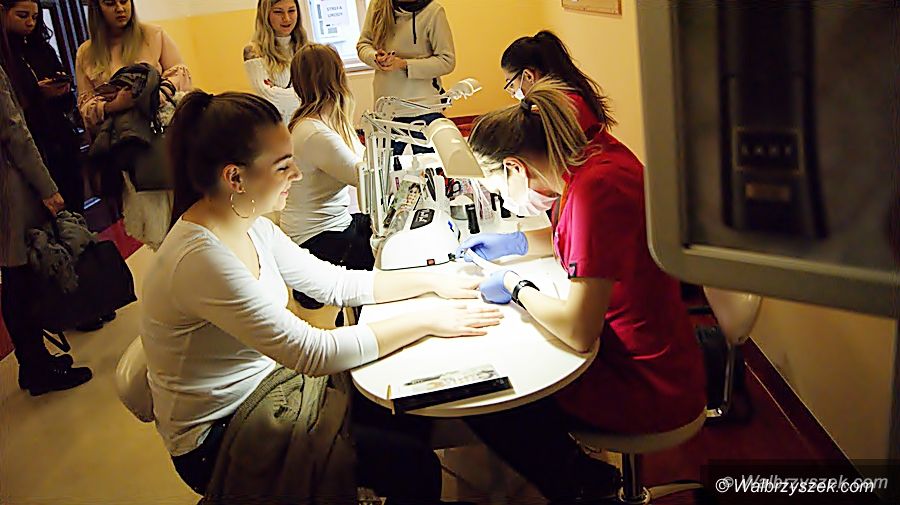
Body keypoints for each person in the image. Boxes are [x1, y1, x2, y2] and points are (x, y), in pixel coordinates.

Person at [141, 90, 501, 503]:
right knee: (413, 465)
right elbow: (311, 352)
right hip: (221, 433)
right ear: (234, 178)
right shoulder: (201, 259)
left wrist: (433, 280)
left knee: (404, 408)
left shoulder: (250, 223)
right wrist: (427, 320)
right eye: (283, 166)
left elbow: (335, 283)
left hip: (272, 385)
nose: (297, 174)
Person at [457, 80, 707, 504]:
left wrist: (517, 287)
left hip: (644, 382)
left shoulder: (595, 192)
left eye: (497, 189)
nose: (502, 198)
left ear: (514, 167)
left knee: (490, 395)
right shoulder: (594, 159)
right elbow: (580, 239)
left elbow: (577, 331)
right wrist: (514, 243)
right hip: (663, 350)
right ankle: (581, 477)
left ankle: (580, 486)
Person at [0, 17, 92, 396]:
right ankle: (36, 369)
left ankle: (33, 363)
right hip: (9, 188)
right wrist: (47, 187)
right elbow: (14, 132)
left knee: (14, 278)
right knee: (19, 278)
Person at [281, 43, 373, 310]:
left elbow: (364, 160)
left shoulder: (326, 121)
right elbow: (364, 176)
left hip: (330, 225)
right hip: (316, 238)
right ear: (338, 77)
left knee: (386, 233)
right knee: (386, 254)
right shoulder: (315, 133)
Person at [1, 0, 86, 215]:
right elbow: (11, 113)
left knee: (75, 208)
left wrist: (61, 89)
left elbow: (69, 100)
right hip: (31, 144)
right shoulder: (5, 56)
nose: (30, 23)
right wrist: (37, 93)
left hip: (60, 139)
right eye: (22, 16)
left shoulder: (42, 48)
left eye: (35, 17)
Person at [75, 0, 191, 134]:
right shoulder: (85, 53)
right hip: (119, 136)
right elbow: (85, 106)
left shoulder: (153, 34)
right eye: (110, 3)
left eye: (124, 1)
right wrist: (113, 105)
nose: (120, 8)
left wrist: (156, 95)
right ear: (97, 9)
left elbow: (179, 73)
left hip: (162, 128)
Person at [357, 0, 455, 156]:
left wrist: (404, 64)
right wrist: (375, 57)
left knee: (430, 165)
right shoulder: (378, 5)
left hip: (423, 108)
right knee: (384, 167)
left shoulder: (434, 11)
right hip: (386, 109)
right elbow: (363, 44)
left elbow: (447, 61)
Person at [501, 30, 616, 135]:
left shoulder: (565, 108)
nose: (513, 94)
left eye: (512, 85)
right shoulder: (568, 95)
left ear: (528, 76)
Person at [243, 0, 306, 125]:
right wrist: (305, 95)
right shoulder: (253, 51)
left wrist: (280, 91)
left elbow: (321, 92)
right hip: (277, 127)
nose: (286, 18)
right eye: (278, 12)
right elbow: (268, 98)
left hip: (307, 124)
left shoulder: (306, 48)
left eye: (291, 11)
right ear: (265, 15)